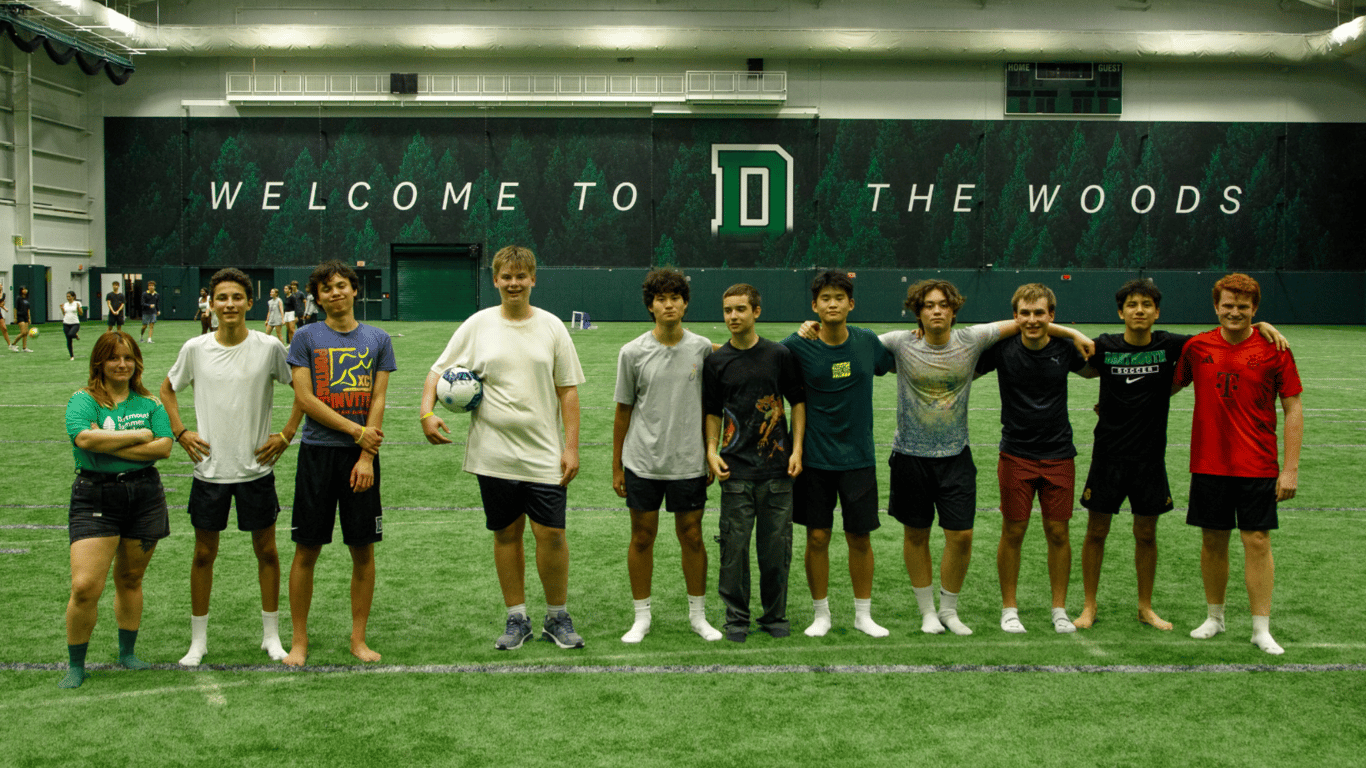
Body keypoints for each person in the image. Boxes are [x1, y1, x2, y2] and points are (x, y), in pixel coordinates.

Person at [872, 279, 1091, 636]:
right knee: (916, 534)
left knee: (961, 535)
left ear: (954, 310)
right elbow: (854, 343)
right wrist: (809, 331)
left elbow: (1026, 323)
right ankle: (928, 613)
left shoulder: (972, 339)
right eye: (928, 305)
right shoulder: (899, 342)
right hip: (910, 455)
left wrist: (1072, 333)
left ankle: (949, 611)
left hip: (957, 455)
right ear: (918, 312)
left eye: (943, 304)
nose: (937, 310)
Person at [1072, 278, 1287, 631]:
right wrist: (1068, 332)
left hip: (1150, 458)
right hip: (1107, 455)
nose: (1139, 311)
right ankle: (1088, 606)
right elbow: (1069, 358)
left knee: (1146, 534)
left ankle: (1145, 607)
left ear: (1157, 312)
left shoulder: (1172, 344)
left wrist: (1261, 325)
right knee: (1096, 531)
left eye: (1146, 305)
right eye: (1132, 305)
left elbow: (1224, 333)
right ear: (1120, 312)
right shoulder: (1104, 346)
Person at [420, 245, 587, 650]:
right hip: (492, 454)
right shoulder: (478, 325)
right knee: (506, 535)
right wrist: (426, 412)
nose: (514, 283)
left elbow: (568, 391)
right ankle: (517, 618)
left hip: (544, 454)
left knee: (552, 535)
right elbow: (437, 372)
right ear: (495, 280)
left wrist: (571, 448)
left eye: (521, 276)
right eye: (506, 277)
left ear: (533, 279)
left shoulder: (552, 327)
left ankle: (557, 617)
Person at [160, 268, 305, 666]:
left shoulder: (269, 346)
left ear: (249, 302)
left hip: (256, 469)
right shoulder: (195, 348)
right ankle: (198, 642)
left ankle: (271, 636)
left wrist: (286, 434)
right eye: (222, 298)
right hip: (209, 471)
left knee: (268, 552)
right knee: (203, 554)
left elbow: (302, 390)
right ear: (211, 303)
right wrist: (180, 432)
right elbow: (168, 389)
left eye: (237, 297)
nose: (229, 305)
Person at [1173, 273, 1302, 655]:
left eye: (1243, 307)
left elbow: (1293, 408)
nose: (1234, 312)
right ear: (1216, 306)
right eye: (1227, 305)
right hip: (1208, 463)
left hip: (1257, 464)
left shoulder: (1275, 349)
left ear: (1254, 309)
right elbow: (1167, 387)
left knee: (1257, 541)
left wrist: (1290, 469)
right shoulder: (1197, 346)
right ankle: (1215, 617)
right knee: (1213, 541)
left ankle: (1261, 628)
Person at [282, 260, 395, 666]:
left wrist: (366, 454)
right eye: (326, 288)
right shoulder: (305, 337)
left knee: (362, 551)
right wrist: (356, 431)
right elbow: (305, 398)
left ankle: (358, 639)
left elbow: (378, 398)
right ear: (317, 297)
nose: (335, 293)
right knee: (306, 550)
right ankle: (299, 641)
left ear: (354, 290)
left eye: (341, 285)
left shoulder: (378, 339)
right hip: (318, 454)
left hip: (361, 457)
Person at [780, 270, 894, 638]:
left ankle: (863, 615)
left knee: (860, 538)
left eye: (839, 298)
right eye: (825, 299)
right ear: (814, 306)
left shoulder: (866, 341)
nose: (833, 304)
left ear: (851, 304)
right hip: (814, 460)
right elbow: (757, 355)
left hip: (859, 459)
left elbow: (894, 358)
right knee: (817, 537)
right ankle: (821, 615)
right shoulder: (797, 345)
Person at [612, 268, 722, 643]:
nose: (669, 304)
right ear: (651, 306)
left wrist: (710, 452)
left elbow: (719, 396)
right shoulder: (632, 352)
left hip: (688, 462)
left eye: (676, 298)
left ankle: (698, 617)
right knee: (642, 537)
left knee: (692, 536)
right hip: (642, 462)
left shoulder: (702, 349)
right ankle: (641, 618)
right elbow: (623, 411)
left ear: (685, 304)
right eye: (661, 299)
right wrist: (617, 466)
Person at [60, 331, 173, 688]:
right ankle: (76, 664)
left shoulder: (150, 403)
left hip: (144, 496)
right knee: (85, 587)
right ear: (100, 362)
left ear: (136, 362)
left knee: (130, 579)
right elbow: (84, 438)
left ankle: (127, 653)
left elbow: (164, 447)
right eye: (113, 358)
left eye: (128, 358)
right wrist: (141, 435)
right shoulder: (83, 400)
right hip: (96, 496)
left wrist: (106, 444)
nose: (121, 364)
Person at [975, 284, 1088, 634]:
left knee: (1058, 532)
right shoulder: (1002, 349)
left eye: (1039, 312)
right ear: (1015, 316)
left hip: (1059, 455)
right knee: (1013, 530)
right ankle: (1009, 609)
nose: (1032, 319)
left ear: (1051, 315)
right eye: (1024, 313)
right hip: (1015, 454)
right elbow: (963, 363)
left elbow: (1102, 371)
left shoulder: (1066, 350)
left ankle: (1059, 609)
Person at [705, 283, 806, 643]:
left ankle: (775, 615)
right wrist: (711, 451)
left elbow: (797, 402)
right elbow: (713, 412)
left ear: (756, 312)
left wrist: (797, 449)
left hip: (777, 471)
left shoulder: (779, 355)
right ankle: (737, 618)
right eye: (727, 310)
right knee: (733, 549)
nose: (733, 316)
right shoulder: (716, 362)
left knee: (776, 549)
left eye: (740, 309)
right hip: (734, 471)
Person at [62, 291, 86, 360]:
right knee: (68, 340)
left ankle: (75, 335)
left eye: (69, 296)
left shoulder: (77, 303)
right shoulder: (65, 304)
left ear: (73, 297)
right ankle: (71, 356)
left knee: (71, 334)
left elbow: (81, 313)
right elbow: (64, 314)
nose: (68, 298)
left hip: (75, 323)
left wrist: (78, 308)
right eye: (67, 296)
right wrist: (62, 309)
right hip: (66, 323)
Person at [11, 286, 32, 352]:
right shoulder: (19, 298)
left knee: (26, 333)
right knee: (23, 332)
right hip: (20, 316)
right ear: (21, 291)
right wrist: (15, 317)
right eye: (23, 289)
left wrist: (29, 318)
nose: (25, 290)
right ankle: (13, 344)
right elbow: (15, 308)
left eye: (25, 289)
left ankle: (24, 348)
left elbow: (28, 309)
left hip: (26, 317)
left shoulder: (27, 298)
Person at [0, 281, 13, 350]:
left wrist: (5, 308)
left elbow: (1, 304)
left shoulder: (3, 295)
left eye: (1, 285)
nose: (0, 286)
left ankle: (9, 345)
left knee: (4, 328)